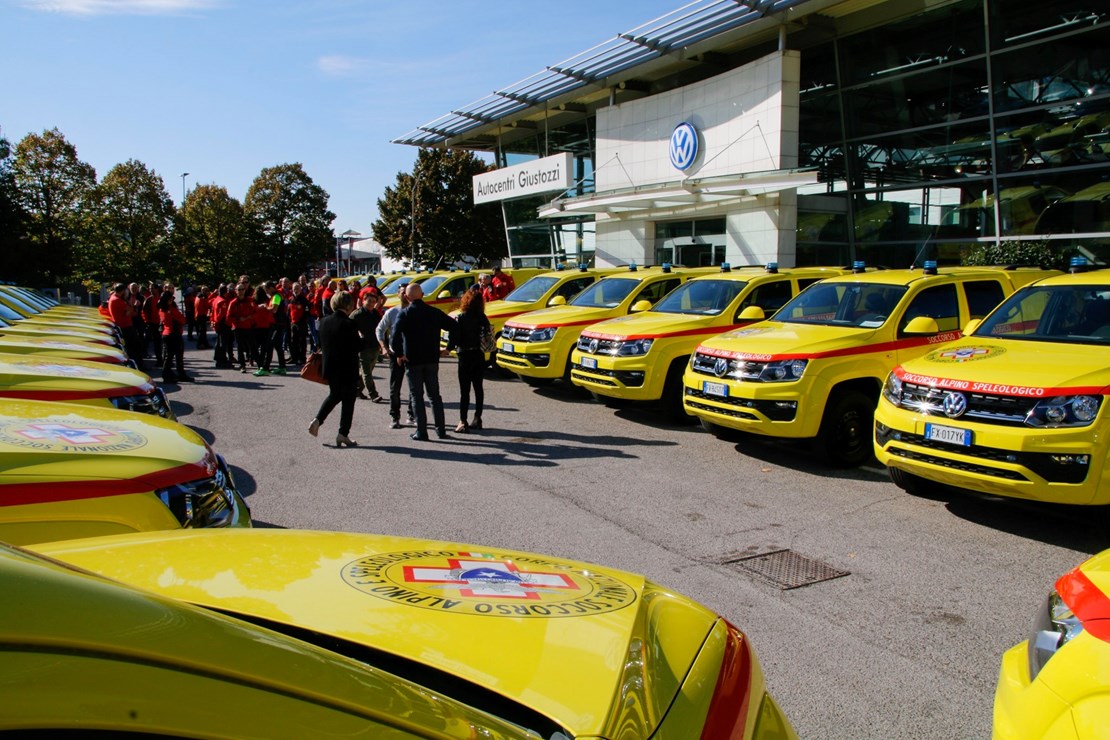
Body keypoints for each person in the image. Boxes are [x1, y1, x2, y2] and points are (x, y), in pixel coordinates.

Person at [390, 283, 457, 441]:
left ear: (406, 297)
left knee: (417, 396)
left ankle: (421, 431)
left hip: (412, 360)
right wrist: (448, 348)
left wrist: (399, 354)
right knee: (435, 396)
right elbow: (454, 326)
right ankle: (440, 430)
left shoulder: (404, 314)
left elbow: (394, 336)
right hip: (432, 359)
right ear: (423, 294)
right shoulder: (433, 312)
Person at [309, 291, 361, 447]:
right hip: (348, 366)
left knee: (334, 394)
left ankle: (318, 419)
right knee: (348, 401)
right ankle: (343, 434)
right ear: (348, 305)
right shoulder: (349, 324)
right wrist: (363, 339)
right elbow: (356, 346)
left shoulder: (324, 322)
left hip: (330, 366)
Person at [446, 289, 491, 432]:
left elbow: (454, 338)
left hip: (464, 355)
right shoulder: (483, 317)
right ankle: (478, 418)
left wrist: (447, 349)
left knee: (464, 390)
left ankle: (462, 420)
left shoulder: (461, 318)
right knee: (478, 388)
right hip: (479, 354)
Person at [376, 285, 414, 429]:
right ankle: (395, 416)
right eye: (402, 293)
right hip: (395, 354)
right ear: (398, 295)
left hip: (412, 355)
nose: (405, 295)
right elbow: (380, 329)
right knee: (395, 388)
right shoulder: (392, 312)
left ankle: (411, 414)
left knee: (414, 387)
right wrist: (384, 347)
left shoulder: (415, 312)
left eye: (407, 293)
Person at [349, 291, 383, 402]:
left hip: (375, 346)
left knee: (367, 372)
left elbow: (381, 329)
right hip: (363, 347)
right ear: (363, 301)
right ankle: (373, 394)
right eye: (369, 301)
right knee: (367, 372)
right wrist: (357, 334)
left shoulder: (376, 314)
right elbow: (348, 327)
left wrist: (382, 345)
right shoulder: (357, 314)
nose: (371, 304)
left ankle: (357, 390)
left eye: (373, 302)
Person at [159, 290, 193, 383]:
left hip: (166, 334)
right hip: (174, 334)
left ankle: (167, 374)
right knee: (177, 356)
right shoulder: (171, 309)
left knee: (168, 356)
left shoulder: (161, 309)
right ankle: (177, 374)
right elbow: (182, 320)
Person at [109, 283, 144, 369]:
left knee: (133, 347)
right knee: (134, 348)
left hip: (125, 325)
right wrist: (134, 306)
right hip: (125, 327)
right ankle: (137, 366)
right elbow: (131, 310)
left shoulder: (114, 298)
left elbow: (129, 312)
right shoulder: (117, 300)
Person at [226, 283, 256, 373]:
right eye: (239, 290)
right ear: (236, 291)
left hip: (249, 326)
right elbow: (228, 317)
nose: (241, 291)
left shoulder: (250, 300)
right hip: (238, 327)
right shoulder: (233, 303)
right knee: (240, 347)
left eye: (242, 289)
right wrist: (238, 319)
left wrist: (250, 318)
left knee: (252, 345)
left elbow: (256, 311)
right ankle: (242, 365)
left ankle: (255, 361)